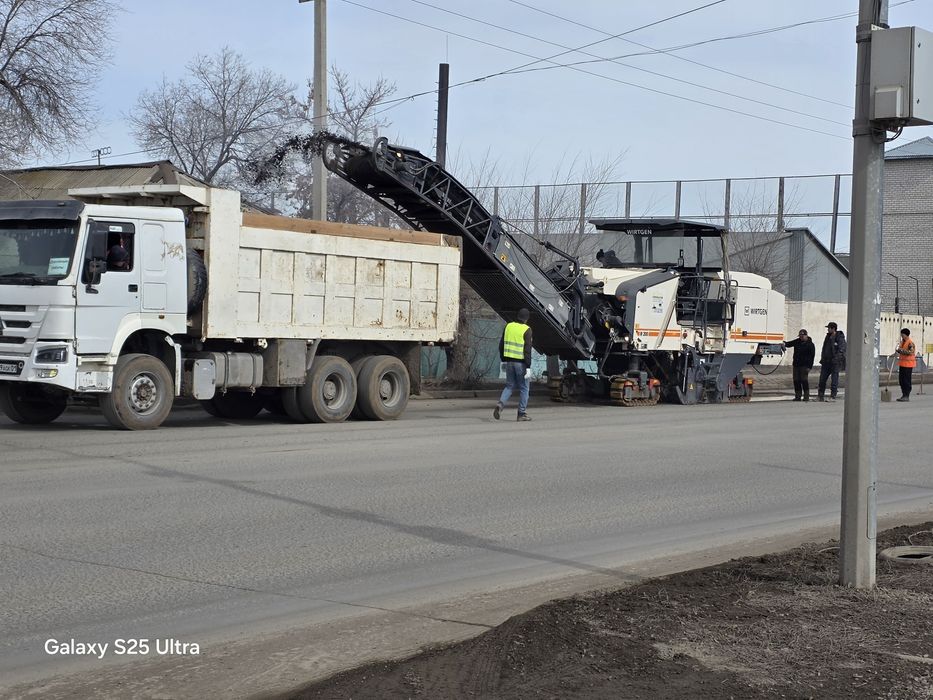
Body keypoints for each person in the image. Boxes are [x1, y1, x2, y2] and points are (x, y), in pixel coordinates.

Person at [494, 308, 533, 422]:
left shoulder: (508, 326)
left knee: (509, 386)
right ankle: (521, 414)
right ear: (526, 319)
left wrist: (503, 359)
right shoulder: (527, 330)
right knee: (524, 388)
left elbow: (501, 344)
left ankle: (500, 405)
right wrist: (528, 366)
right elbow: (527, 350)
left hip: (509, 362)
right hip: (520, 364)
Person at [818, 322, 847, 402]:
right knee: (822, 379)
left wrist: (836, 359)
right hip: (826, 362)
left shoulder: (839, 337)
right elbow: (824, 349)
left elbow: (842, 349)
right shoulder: (828, 337)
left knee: (834, 379)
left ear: (833, 328)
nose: (828, 329)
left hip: (835, 362)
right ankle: (820, 396)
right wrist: (823, 358)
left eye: (829, 328)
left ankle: (833, 396)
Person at [784, 329, 815, 401]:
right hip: (796, 365)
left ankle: (806, 396)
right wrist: (783, 343)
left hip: (805, 366)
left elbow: (812, 357)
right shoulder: (797, 341)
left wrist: (809, 367)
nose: (801, 337)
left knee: (804, 380)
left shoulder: (810, 344)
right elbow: (789, 344)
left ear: (806, 335)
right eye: (800, 336)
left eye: (802, 336)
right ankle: (798, 396)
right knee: (796, 381)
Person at [895, 327, 916, 402]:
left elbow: (910, 352)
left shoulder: (910, 343)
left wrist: (901, 350)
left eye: (903, 334)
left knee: (906, 380)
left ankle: (906, 395)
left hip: (908, 365)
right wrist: (898, 350)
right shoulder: (902, 342)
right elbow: (901, 350)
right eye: (901, 334)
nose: (902, 336)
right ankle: (903, 394)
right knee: (901, 380)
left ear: (906, 335)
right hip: (902, 364)